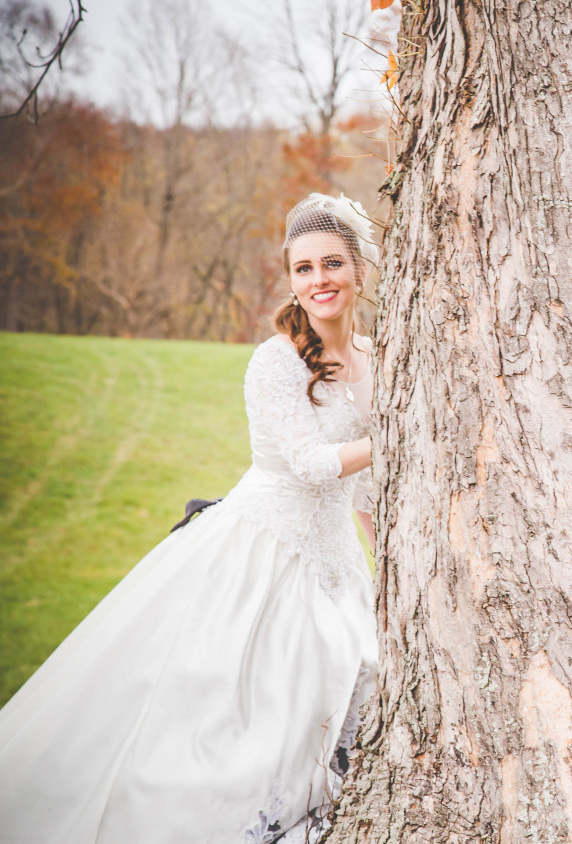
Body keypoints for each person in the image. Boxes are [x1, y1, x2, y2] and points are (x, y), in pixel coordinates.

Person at [0, 193, 382, 843]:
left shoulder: (376, 360)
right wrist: (405, 432)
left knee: (355, 671)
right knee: (231, 712)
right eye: (304, 268)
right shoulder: (275, 360)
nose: (319, 280)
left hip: (335, 559)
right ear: (290, 277)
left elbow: (366, 488)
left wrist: (388, 569)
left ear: (358, 270)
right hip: (263, 549)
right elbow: (312, 462)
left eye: (332, 264)